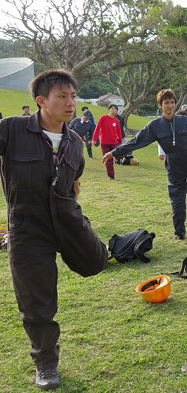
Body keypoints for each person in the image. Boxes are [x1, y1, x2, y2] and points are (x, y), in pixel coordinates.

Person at [0, 69, 107, 390]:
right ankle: (46, 363)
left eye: (73, 95)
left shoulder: (74, 142)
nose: (70, 102)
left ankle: (93, 251)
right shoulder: (12, 130)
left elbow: (74, 184)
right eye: (62, 96)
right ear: (41, 101)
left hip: (67, 220)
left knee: (96, 261)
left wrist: (72, 214)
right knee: (37, 301)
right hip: (28, 228)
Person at [102, 89, 187, 240]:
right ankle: (180, 233)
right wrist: (114, 152)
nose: (170, 106)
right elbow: (136, 141)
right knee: (177, 203)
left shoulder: (183, 120)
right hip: (174, 166)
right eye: (166, 103)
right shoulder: (155, 125)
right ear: (160, 105)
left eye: (172, 102)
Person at [92, 104, 122, 179]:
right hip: (104, 143)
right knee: (109, 160)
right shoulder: (103, 118)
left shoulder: (117, 121)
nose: (113, 110)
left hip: (114, 142)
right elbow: (97, 128)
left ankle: (118, 159)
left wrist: (120, 142)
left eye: (115, 109)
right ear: (109, 110)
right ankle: (111, 175)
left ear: (116, 111)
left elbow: (119, 132)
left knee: (119, 155)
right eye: (112, 109)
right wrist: (94, 139)